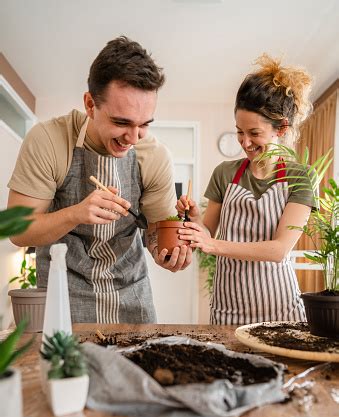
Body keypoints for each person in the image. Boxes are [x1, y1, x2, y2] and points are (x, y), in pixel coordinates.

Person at [7, 36, 192, 324]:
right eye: (121, 122)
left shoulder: (155, 156)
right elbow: (18, 230)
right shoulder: (49, 140)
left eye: (143, 124)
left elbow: (156, 231)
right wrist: (75, 214)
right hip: (62, 296)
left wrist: (166, 254)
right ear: (90, 104)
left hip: (133, 297)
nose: (133, 138)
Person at [177, 54, 315, 325]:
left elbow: (279, 250)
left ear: (281, 128)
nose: (245, 142)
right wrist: (195, 221)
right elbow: (207, 236)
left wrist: (213, 244)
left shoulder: (301, 177)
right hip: (228, 312)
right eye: (239, 131)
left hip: (281, 312)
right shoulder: (225, 173)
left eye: (254, 133)